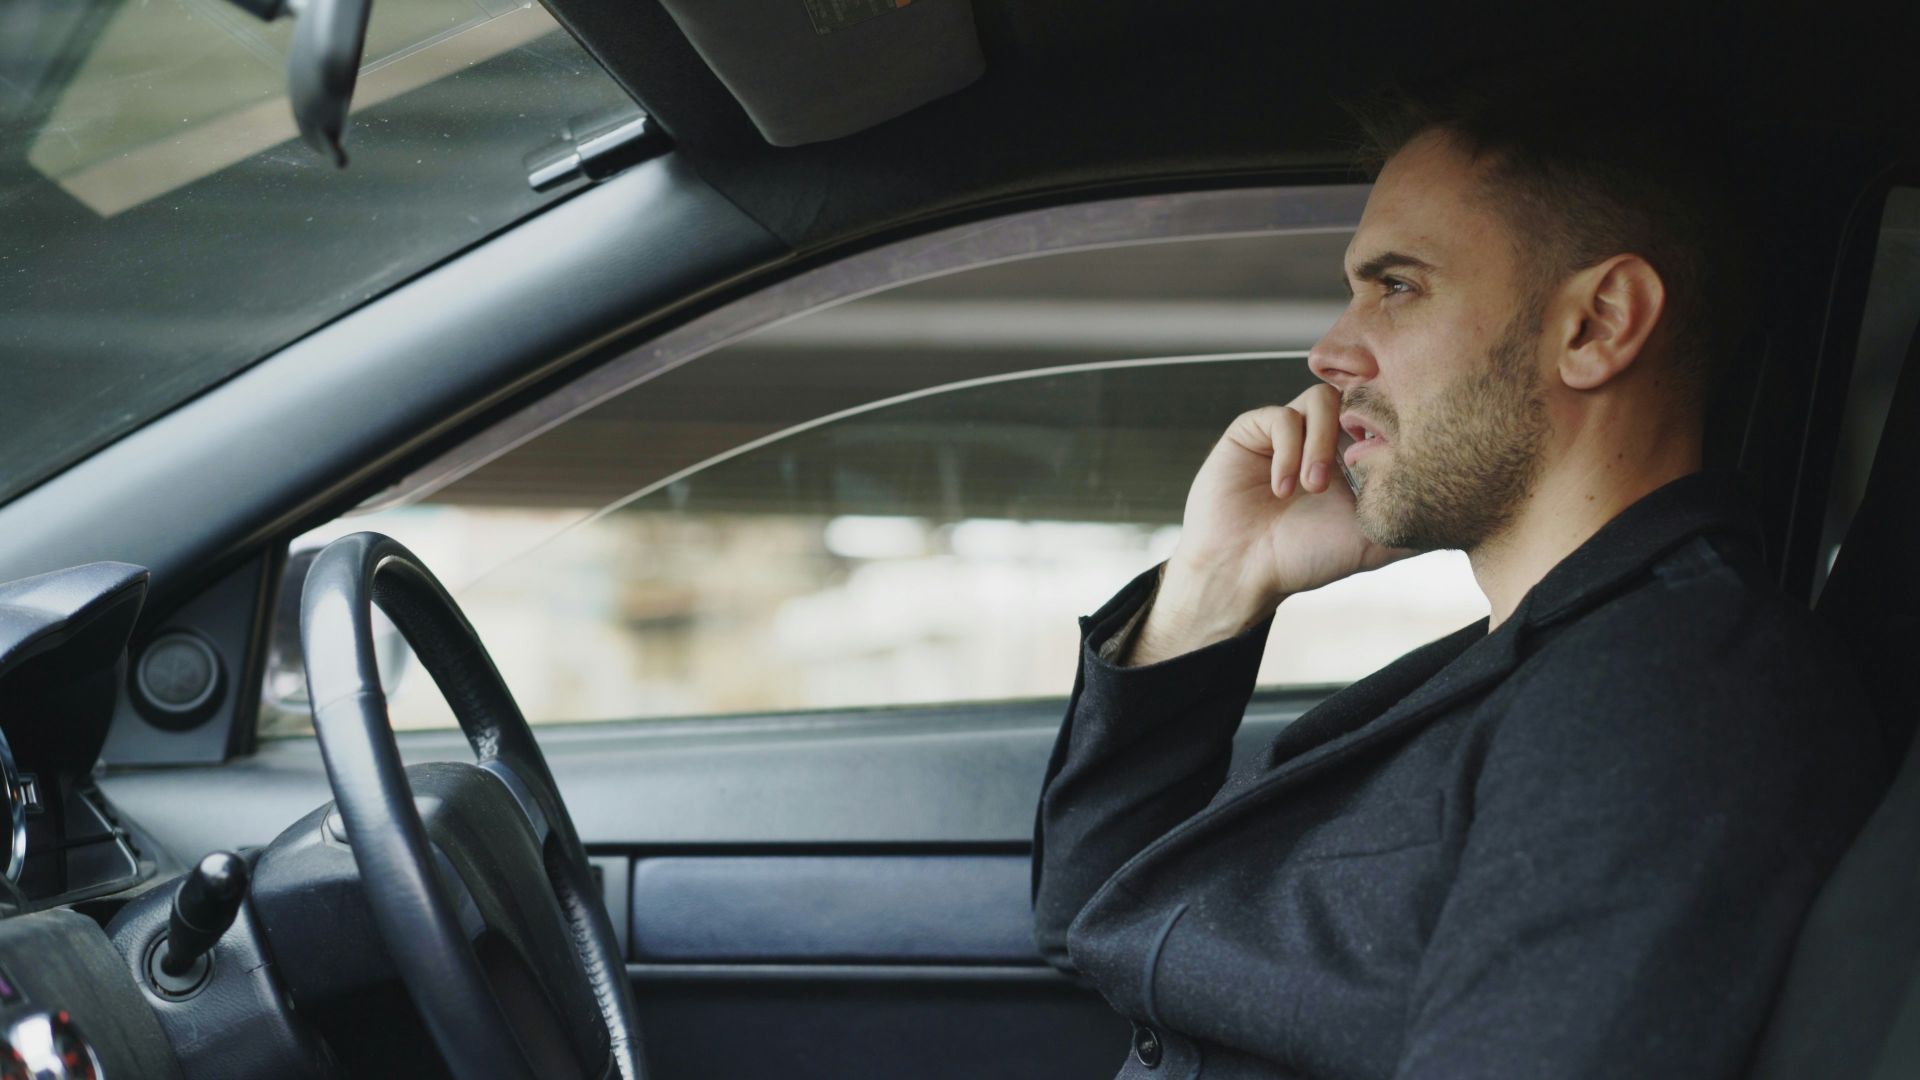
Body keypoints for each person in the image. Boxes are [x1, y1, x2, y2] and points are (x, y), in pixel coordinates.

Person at [1029, 69, 1894, 1080]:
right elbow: (1093, 914)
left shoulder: (1664, 693)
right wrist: (1217, 585)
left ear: (1599, 322)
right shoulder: (1549, 651)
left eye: (1396, 287)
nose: (1331, 352)